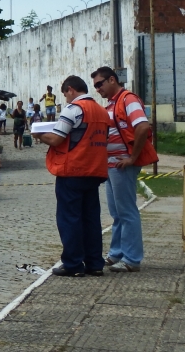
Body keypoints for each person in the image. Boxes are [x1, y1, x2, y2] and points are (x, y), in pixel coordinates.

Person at [35, 75, 109, 277]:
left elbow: (57, 139)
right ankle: (95, 263)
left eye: (65, 94)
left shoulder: (74, 109)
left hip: (73, 171)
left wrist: (39, 134)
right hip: (94, 171)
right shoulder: (102, 111)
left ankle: (73, 264)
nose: (66, 99)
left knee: (70, 219)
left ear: (70, 89)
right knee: (91, 219)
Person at [93, 66, 159, 273]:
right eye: (95, 85)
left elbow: (142, 126)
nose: (97, 89)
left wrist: (132, 157)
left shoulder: (128, 99)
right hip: (112, 165)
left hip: (122, 165)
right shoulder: (112, 104)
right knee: (117, 212)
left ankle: (131, 259)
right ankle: (117, 253)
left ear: (112, 80)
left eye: (99, 84)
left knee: (127, 211)